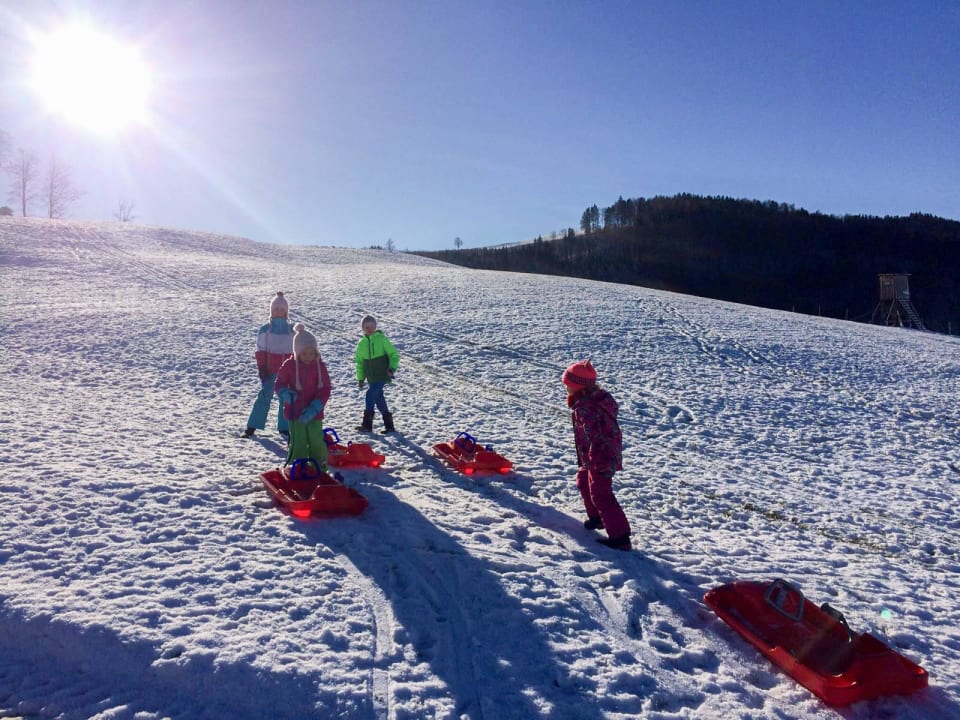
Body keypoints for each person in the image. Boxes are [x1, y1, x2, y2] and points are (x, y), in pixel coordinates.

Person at [562, 359, 632, 551]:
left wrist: (599, 458)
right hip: (592, 454)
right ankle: (597, 518)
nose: (566, 389)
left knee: (601, 493)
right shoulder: (590, 401)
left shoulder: (588, 408)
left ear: (578, 386)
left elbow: (598, 435)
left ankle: (620, 537)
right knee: (583, 481)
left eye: (568, 385)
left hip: (601, 456)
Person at [275, 324, 332, 469]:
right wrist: (285, 394)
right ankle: (298, 467)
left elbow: (326, 388)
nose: (308, 357)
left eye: (311, 353)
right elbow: (279, 383)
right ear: (297, 352)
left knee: (316, 440)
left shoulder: (320, 366)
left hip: (315, 413)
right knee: (298, 441)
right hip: (295, 412)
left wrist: (315, 407)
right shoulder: (289, 365)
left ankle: (320, 467)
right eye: (304, 353)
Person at [243, 292, 295, 439]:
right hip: (269, 370)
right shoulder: (265, 330)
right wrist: (261, 367)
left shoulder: (292, 331)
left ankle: (284, 427)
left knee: (285, 398)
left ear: (286, 312)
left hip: (286, 372)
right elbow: (260, 350)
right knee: (265, 395)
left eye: (281, 309)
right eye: (275, 309)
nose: (278, 312)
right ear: (271, 311)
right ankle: (252, 426)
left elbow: (297, 349)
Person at [354, 315, 400, 433]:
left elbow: (393, 354)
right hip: (371, 376)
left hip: (381, 374)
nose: (369, 329)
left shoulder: (381, 339)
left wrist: (392, 368)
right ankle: (389, 426)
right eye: (367, 327)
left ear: (375, 327)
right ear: (363, 328)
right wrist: (361, 378)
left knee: (370, 395)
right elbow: (360, 362)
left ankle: (367, 425)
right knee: (379, 399)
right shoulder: (361, 344)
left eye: (372, 326)